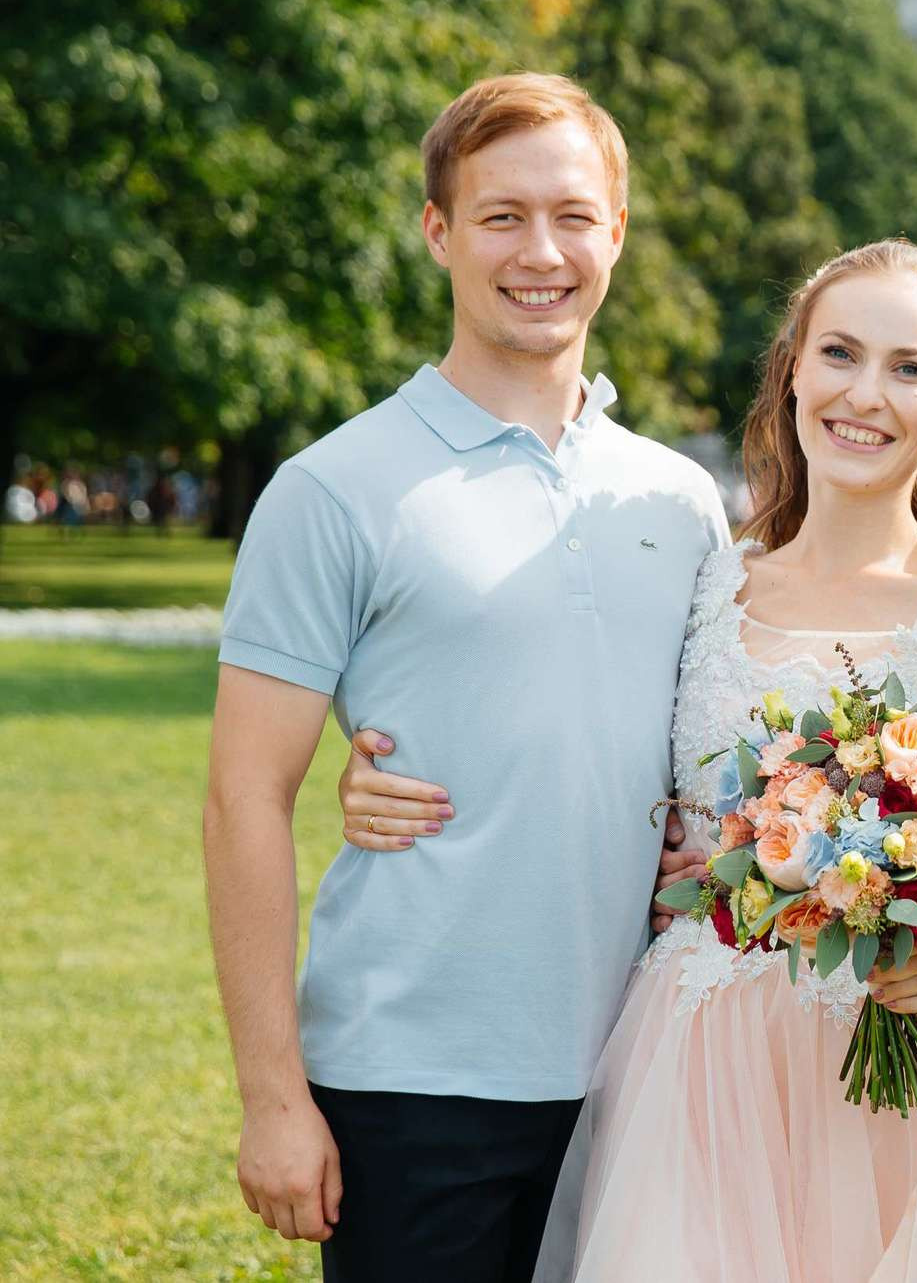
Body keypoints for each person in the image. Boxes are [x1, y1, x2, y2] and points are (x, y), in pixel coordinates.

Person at [343, 240, 917, 1282]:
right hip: (695, 1054)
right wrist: (369, 772)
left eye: (908, 367)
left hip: (880, 1064)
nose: (865, 393)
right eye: (840, 353)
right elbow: (566, 730)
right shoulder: (704, 583)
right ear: (794, 371)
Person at [201, 73, 729, 1280]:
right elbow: (243, 798)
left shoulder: (680, 499)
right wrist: (273, 1095)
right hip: (412, 1080)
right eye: (500, 216)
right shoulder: (333, 487)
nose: (540, 251)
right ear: (438, 231)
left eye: (572, 215)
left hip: (643, 1067)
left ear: (617, 234)